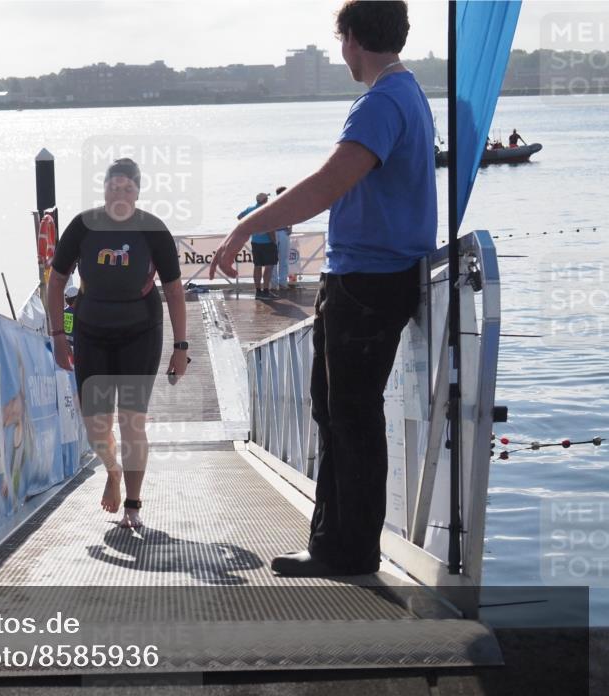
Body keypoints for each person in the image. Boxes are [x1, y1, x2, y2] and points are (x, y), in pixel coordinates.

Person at [209, 0, 436, 576]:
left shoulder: (382, 101)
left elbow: (326, 185)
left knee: (350, 416)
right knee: (336, 412)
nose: (343, 55)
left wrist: (243, 228)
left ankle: (348, 550)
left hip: (368, 281)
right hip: (373, 278)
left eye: (342, 42)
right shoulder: (407, 94)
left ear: (353, 37)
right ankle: (338, 540)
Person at [47, 158, 188, 529]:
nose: (120, 194)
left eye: (127, 188)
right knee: (95, 423)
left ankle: (133, 505)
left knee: (131, 422)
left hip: (140, 331)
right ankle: (112, 471)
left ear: (138, 192)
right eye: (114, 187)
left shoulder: (153, 230)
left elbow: (174, 290)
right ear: (104, 189)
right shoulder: (82, 226)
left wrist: (181, 346)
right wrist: (58, 335)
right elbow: (56, 281)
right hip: (91, 330)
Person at [237, 193, 278, 299]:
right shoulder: (267, 210)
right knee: (269, 267)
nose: (268, 200)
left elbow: (239, 217)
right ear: (264, 200)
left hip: (255, 242)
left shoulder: (250, 209)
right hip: (267, 243)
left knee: (257, 266)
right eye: (267, 198)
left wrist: (249, 227)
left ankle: (258, 291)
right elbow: (270, 229)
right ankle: (266, 291)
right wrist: (274, 241)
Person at [273, 186, 292, 290]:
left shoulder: (288, 204)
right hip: (274, 233)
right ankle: (274, 283)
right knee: (273, 259)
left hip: (284, 232)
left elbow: (292, 216)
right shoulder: (272, 204)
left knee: (284, 258)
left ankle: (283, 283)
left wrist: (290, 227)